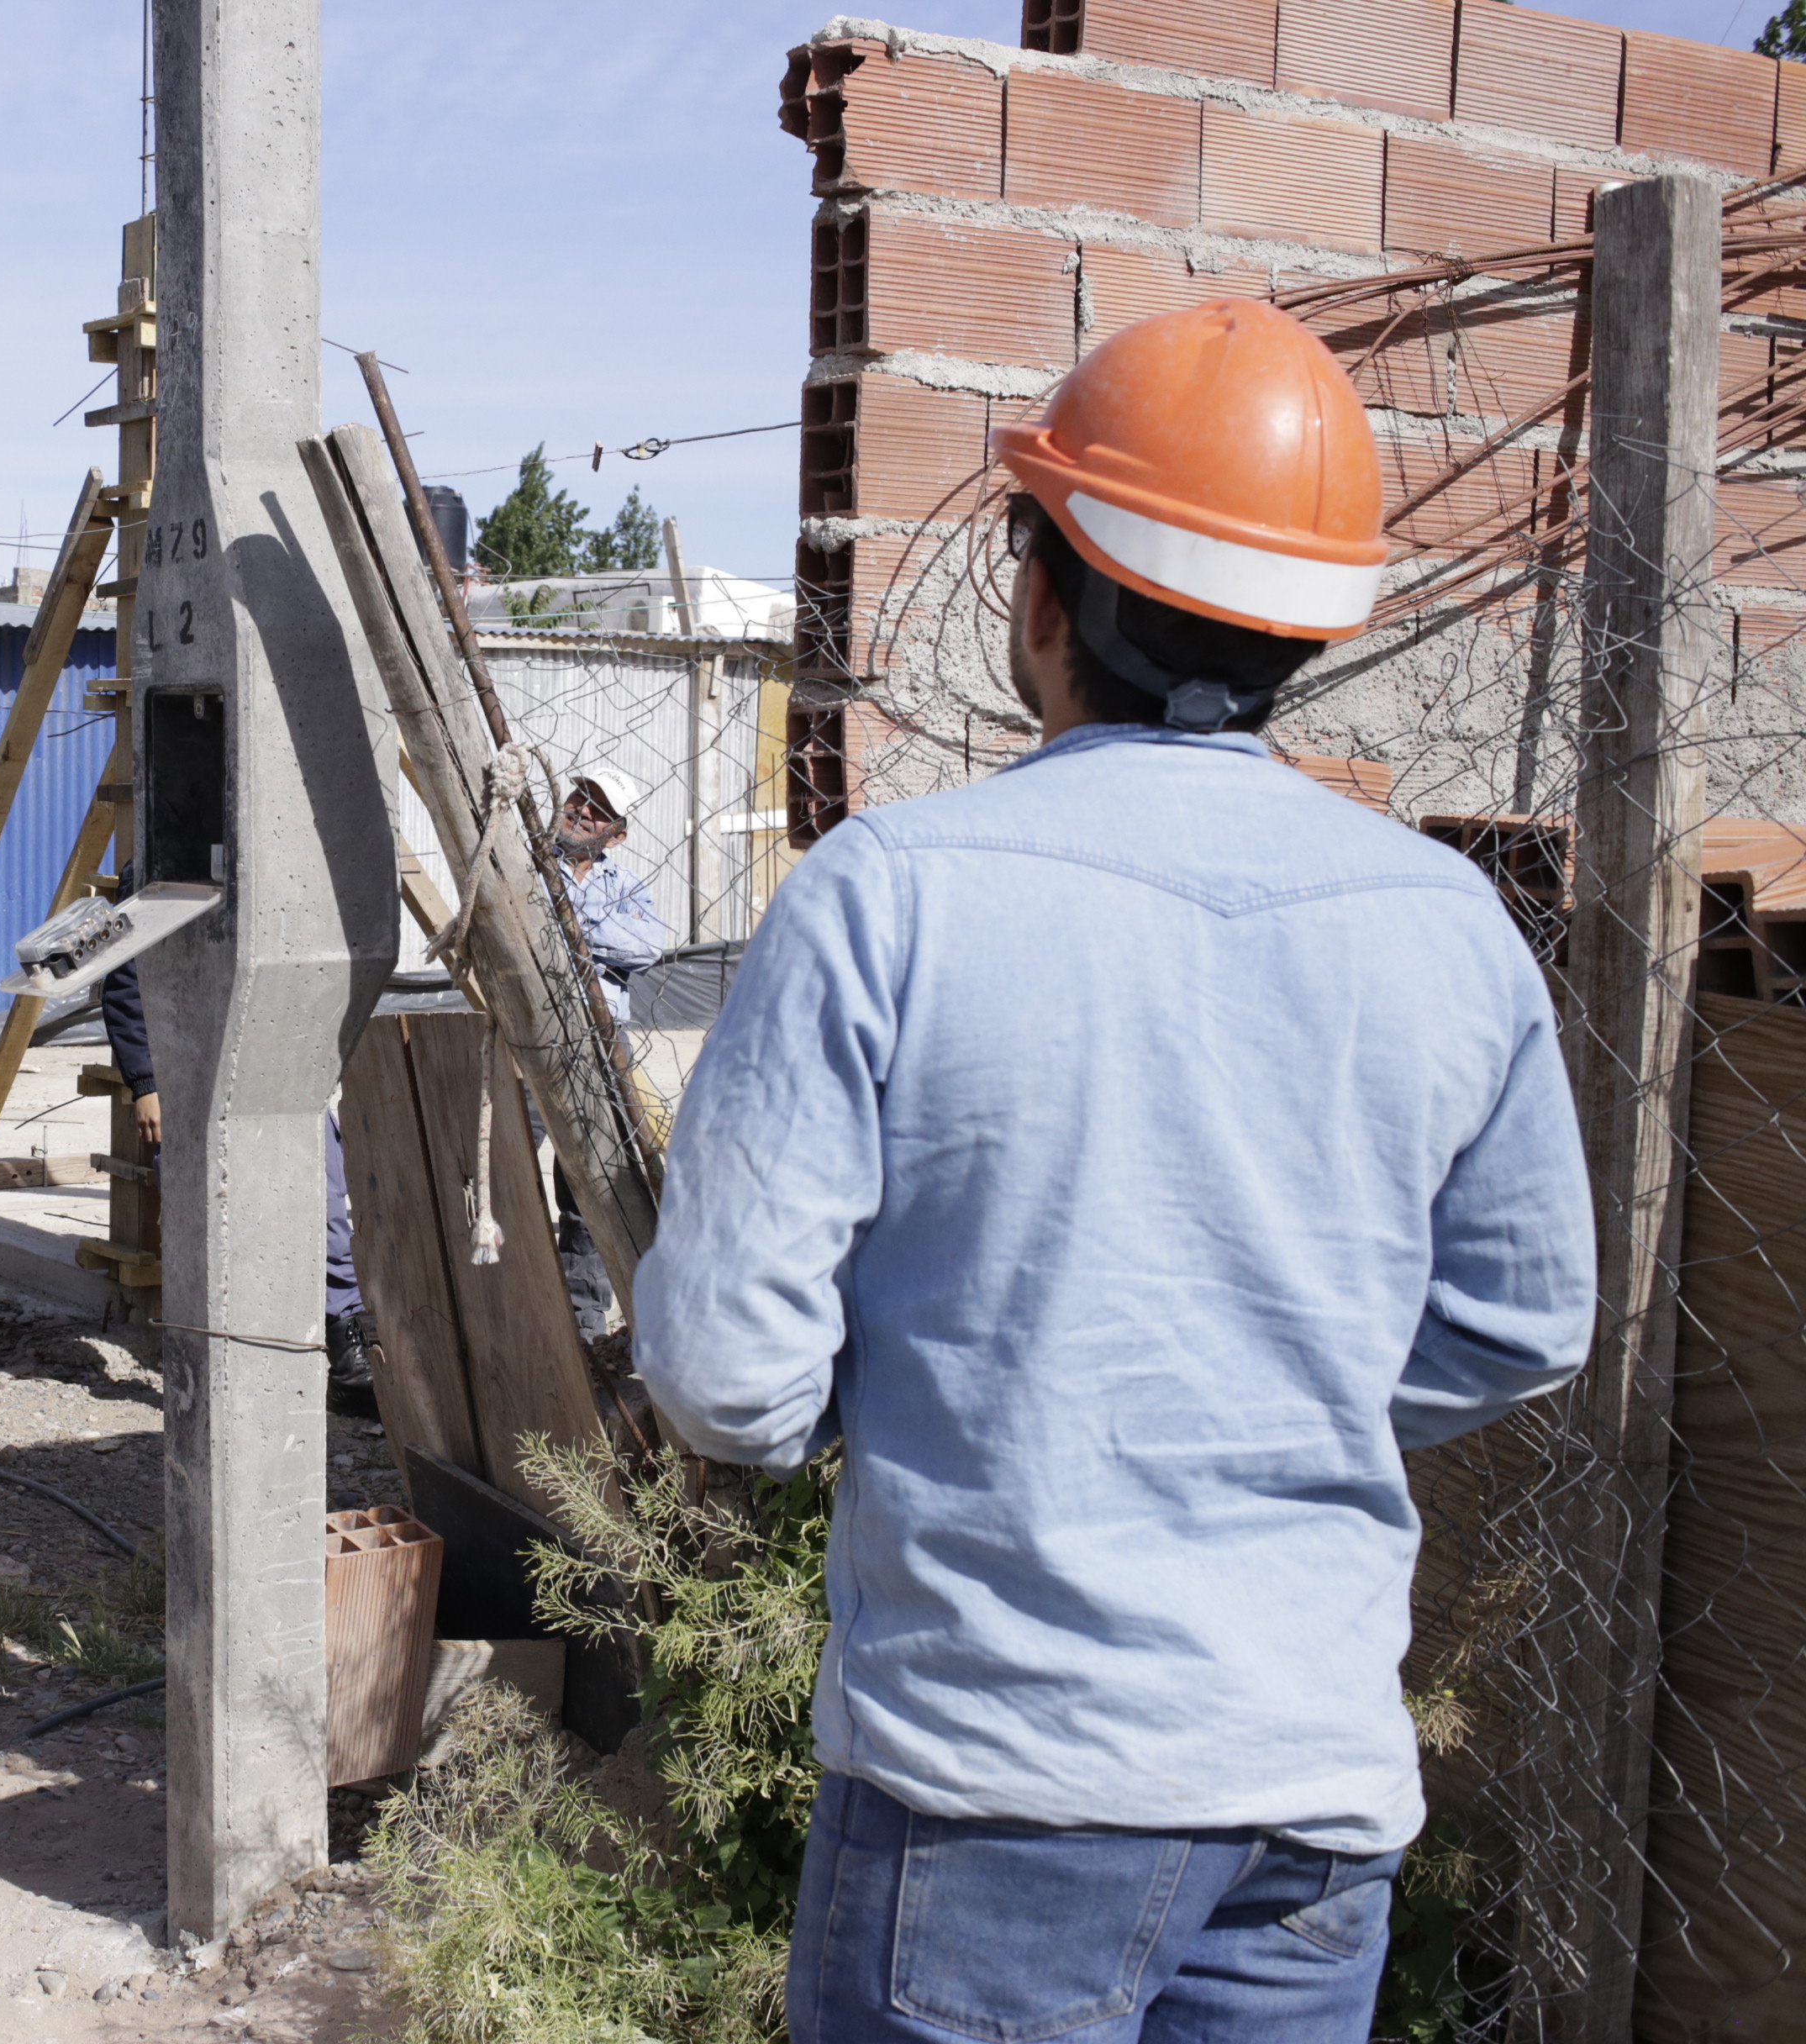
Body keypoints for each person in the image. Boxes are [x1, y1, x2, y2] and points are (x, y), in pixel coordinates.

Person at [631, 300, 1595, 2042]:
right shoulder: (1453, 929)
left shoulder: (891, 895)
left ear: (1048, 589)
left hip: (992, 1790)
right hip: (1309, 1816)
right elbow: (1526, 1323)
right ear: (1312, 619)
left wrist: (936, 1394)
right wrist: (1269, 1392)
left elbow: (723, 1372)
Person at [100, 950, 376, 1411]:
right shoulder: (164, 877)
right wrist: (147, 1083)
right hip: (194, 1077)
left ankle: (348, 1360)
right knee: (205, 1225)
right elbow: (127, 981)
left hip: (287, 1074)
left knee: (325, 1211)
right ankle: (217, 1364)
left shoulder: (300, 882)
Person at [547, 768, 668, 1339]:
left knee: (593, 1179)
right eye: (579, 798)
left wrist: (573, 916)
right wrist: (598, 922)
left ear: (616, 834)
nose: (581, 812)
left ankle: (582, 1324)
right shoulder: (529, 859)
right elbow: (531, 929)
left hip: (602, 1034)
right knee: (500, 1166)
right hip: (535, 1020)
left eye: (598, 810)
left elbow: (648, 946)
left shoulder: (626, 879)